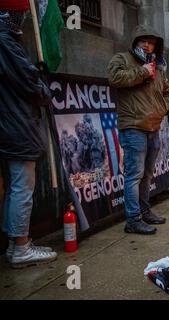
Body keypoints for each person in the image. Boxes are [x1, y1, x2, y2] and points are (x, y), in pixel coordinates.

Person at [0, 3, 58, 268]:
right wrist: (42, 84)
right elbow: (30, 84)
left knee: (15, 188)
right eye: (18, 15)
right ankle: (21, 246)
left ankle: (15, 244)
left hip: (11, 124)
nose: (22, 20)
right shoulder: (5, 42)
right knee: (23, 188)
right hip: (16, 125)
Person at [108, 25, 169, 235]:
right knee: (134, 175)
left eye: (151, 41)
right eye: (143, 40)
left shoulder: (157, 65)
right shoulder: (122, 59)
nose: (147, 44)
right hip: (133, 126)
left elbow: (166, 91)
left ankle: (145, 211)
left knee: (147, 174)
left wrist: (165, 107)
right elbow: (115, 79)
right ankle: (133, 220)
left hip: (153, 126)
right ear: (135, 41)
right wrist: (141, 72)